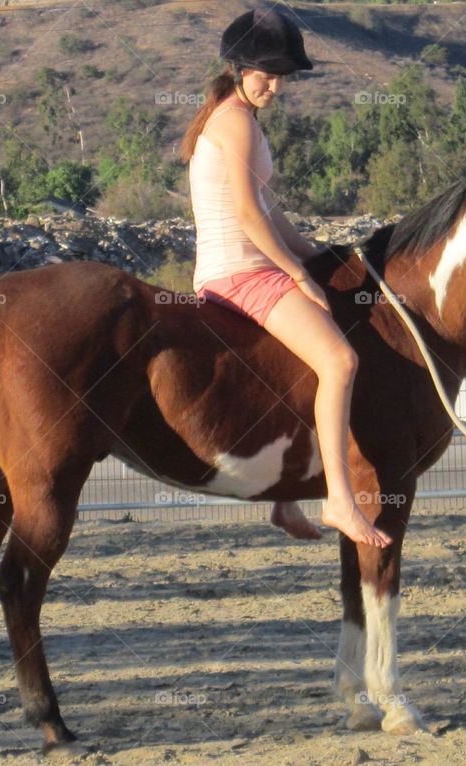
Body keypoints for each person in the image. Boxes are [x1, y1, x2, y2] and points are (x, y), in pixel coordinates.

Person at [179, 8, 392, 548]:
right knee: (341, 360)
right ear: (238, 68)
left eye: (281, 77)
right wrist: (299, 275)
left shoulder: (235, 118)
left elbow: (271, 214)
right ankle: (340, 502)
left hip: (233, 269)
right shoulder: (236, 120)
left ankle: (284, 499)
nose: (275, 86)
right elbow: (250, 218)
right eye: (266, 75)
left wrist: (323, 253)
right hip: (242, 273)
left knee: (306, 359)